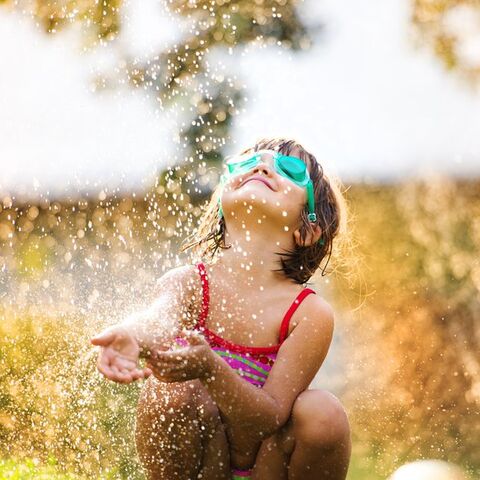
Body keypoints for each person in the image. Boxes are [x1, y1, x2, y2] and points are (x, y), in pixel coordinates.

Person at [91, 137, 352, 479]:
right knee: (171, 390)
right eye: (247, 163)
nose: (261, 166)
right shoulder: (190, 282)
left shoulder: (308, 313)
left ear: (307, 229)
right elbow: (160, 318)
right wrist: (132, 334)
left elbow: (269, 417)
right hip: (198, 463)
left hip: (264, 467)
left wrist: (212, 369)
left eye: (289, 169)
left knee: (323, 412)